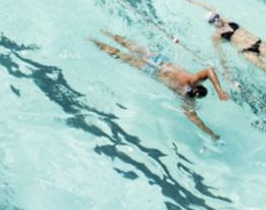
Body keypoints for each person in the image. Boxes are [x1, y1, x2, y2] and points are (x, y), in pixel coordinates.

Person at [91, 31, 229, 139]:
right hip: (151, 70)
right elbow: (194, 118)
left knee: (128, 45)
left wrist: (219, 91)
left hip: (159, 61)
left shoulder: (192, 80)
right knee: (121, 55)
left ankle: (105, 32)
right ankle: (95, 41)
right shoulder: (187, 98)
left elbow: (210, 70)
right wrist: (210, 133)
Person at [184, 0, 266, 100]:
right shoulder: (216, 36)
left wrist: (192, 1)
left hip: (259, 43)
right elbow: (220, 53)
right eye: (213, 20)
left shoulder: (227, 21)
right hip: (247, 52)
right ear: (210, 24)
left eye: (217, 16)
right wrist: (226, 69)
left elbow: (210, 7)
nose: (217, 19)